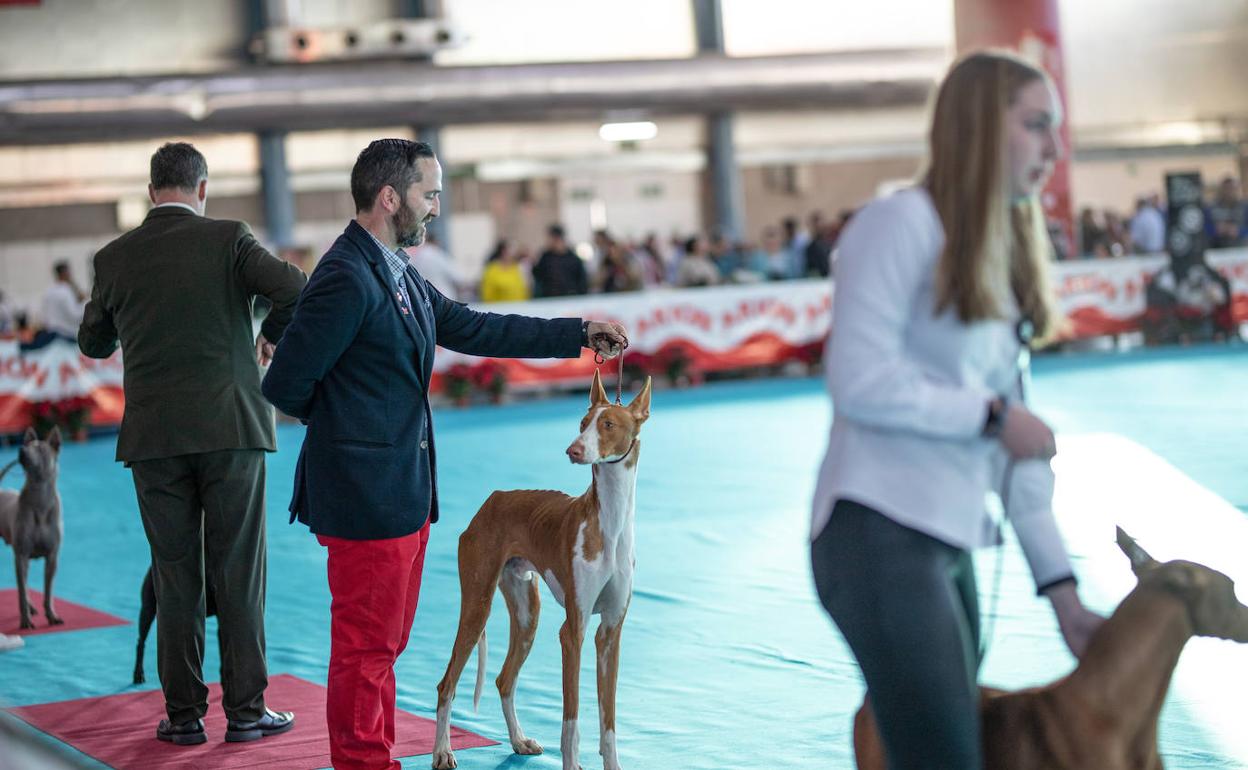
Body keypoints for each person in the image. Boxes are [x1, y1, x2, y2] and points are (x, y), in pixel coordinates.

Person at [260, 138, 627, 770]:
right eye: (429, 194)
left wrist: (576, 333)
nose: (435, 207)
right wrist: (359, 433)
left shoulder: (396, 270)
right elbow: (287, 384)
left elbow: (475, 326)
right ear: (389, 198)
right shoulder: (345, 276)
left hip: (402, 491)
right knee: (365, 648)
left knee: (385, 644)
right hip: (365, 495)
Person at [809, 51, 1103, 770]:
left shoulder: (1003, 252)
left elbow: (1020, 459)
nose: (1054, 148)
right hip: (874, 533)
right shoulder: (898, 222)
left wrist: (1064, 596)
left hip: (944, 541)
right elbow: (858, 379)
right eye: (1036, 125)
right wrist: (991, 415)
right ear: (979, 125)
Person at [79, 142, 307, 746]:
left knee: (174, 575)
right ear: (202, 189)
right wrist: (269, 337)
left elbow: (93, 343)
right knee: (238, 570)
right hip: (233, 428)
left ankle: (183, 717)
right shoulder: (230, 238)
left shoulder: (113, 257)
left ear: (151, 190)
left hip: (154, 437)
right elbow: (296, 287)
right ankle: (247, 712)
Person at [532, 224, 589, 297]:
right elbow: (537, 275)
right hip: (550, 298)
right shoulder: (545, 257)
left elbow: (581, 280)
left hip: (570, 298)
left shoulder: (573, 258)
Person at [40, 261, 87, 341]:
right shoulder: (66, 291)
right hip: (66, 335)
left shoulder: (49, 290)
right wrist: (84, 302)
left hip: (51, 334)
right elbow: (75, 315)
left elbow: (43, 316)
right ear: (65, 273)